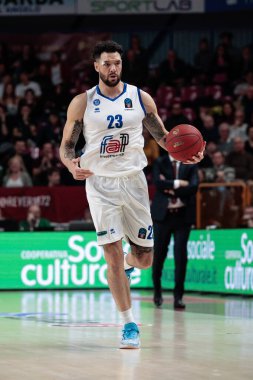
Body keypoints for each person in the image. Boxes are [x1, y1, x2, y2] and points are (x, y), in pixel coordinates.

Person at [59, 40, 205, 349]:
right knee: (110, 254)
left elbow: (164, 138)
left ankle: (129, 261)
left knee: (145, 260)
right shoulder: (82, 103)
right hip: (100, 184)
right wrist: (70, 165)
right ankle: (128, 325)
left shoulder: (140, 98)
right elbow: (68, 146)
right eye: (107, 63)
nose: (113, 68)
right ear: (96, 66)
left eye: (117, 63)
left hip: (134, 182)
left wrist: (184, 153)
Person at [151, 154, 199, 309]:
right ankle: (157, 292)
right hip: (162, 217)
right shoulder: (160, 161)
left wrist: (170, 189)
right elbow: (158, 183)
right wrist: (179, 183)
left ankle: (178, 297)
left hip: (182, 216)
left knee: (181, 256)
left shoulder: (190, 162)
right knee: (158, 256)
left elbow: (193, 187)